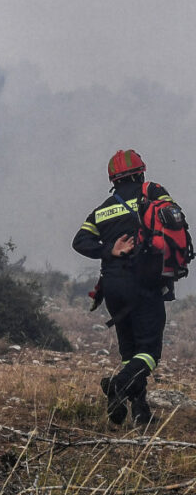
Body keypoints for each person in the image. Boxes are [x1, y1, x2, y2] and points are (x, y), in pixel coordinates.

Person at [72, 149, 176, 427]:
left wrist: (109, 249)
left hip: (112, 289)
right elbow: (172, 221)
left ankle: (141, 413)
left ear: (113, 180)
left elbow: (79, 241)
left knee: (130, 353)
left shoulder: (102, 209)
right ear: (140, 172)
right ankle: (118, 385)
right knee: (150, 352)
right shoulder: (150, 195)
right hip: (143, 283)